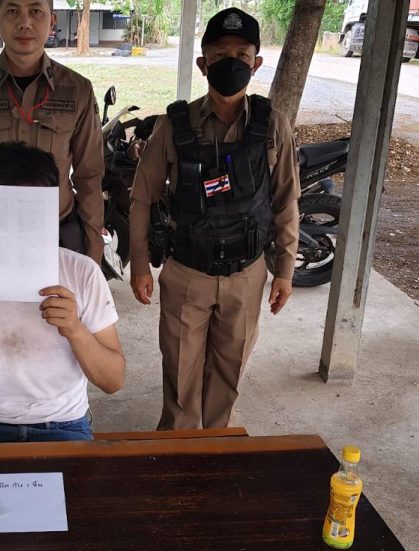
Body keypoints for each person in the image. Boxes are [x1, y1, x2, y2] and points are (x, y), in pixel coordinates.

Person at [127, 7, 300, 431]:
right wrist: (139, 265)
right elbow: (142, 198)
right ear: (204, 64)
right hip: (188, 272)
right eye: (221, 55)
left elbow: (286, 201)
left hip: (247, 273)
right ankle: (178, 448)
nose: (231, 63)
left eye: (242, 56)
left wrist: (285, 270)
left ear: (256, 64)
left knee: (229, 373)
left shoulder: (273, 126)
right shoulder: (174, 125)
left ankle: (218, 446)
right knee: (180, 376)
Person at [0, 142, 125, 445]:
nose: (16, 220)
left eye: (30, 208)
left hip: (65, 424)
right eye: (3, 206)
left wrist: (74, 329)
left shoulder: (82, 272)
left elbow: (113, 380)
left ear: (53, 208)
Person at [0, 0, 105, 285]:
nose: (24, 22)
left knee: (60, 313)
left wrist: (93, 253)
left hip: (58, 234)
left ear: (52, 20)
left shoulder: (77, 91)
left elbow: (90, 176)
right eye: (12, 11)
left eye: (35, 11)